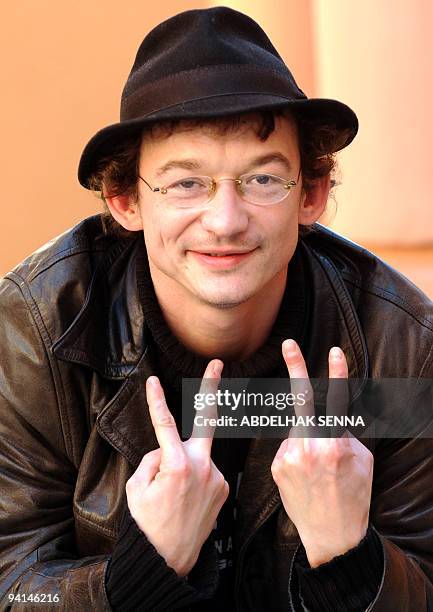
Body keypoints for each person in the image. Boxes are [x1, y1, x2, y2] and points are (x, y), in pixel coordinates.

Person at [1, 6, 432, 611]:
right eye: (185, 184)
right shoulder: (37, 334)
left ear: (309, 194)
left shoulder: (397, 344)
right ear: (125, 200)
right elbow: (12, 587)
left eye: (261, 180)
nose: (226, 222)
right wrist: (141, 573)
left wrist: (350, 557)